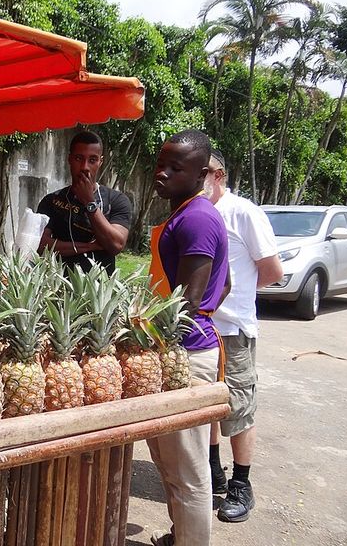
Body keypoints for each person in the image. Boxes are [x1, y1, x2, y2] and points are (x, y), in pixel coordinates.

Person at [147, 129, 230, 546]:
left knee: (189, 471)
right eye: (160, 163)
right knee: (170, 461)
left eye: (174, 168)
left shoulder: (196, 217)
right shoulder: (187, 212)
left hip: (188, 354)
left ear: (201, 173)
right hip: (177, 350)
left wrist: (141, 328)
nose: (161, 173)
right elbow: (226, 283)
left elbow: (190, 301)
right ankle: (181, 536)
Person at [203, 149, 283, 523]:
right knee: (207, 407)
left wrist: (239, 295)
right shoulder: (196, 212)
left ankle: (241, 484)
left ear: (218, 175)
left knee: (238, 408)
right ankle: (213, 470)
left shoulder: (244, 212)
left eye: (200, 172)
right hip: (201, 329)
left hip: (233, 329)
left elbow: (272, 271)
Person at [36, 131, 131, 273]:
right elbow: (40, 245)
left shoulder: (117, 200)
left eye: (92, 160)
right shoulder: (51, 201)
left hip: (99, 290)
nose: (85, 167)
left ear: (100, 162)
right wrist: (89, 246)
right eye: (79, 158)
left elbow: (115, 245)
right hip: (56, 287)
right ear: (69, 159)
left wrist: (89, 202)